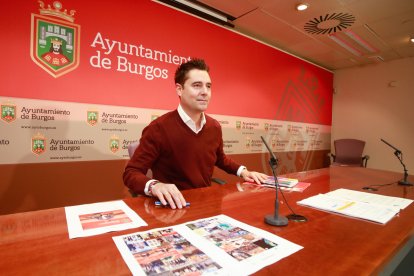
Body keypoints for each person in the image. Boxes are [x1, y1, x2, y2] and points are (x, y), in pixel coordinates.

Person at [123, 58, 268, 209]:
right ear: (179, 89)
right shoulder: (158, 128)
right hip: (173, 208)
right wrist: (155, 186)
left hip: (207, 205)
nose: (205, 92)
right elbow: (131, 173)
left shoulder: (214, 127)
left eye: (208, 86)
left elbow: (220, 158)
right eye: (197, 85)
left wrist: (243, 172)